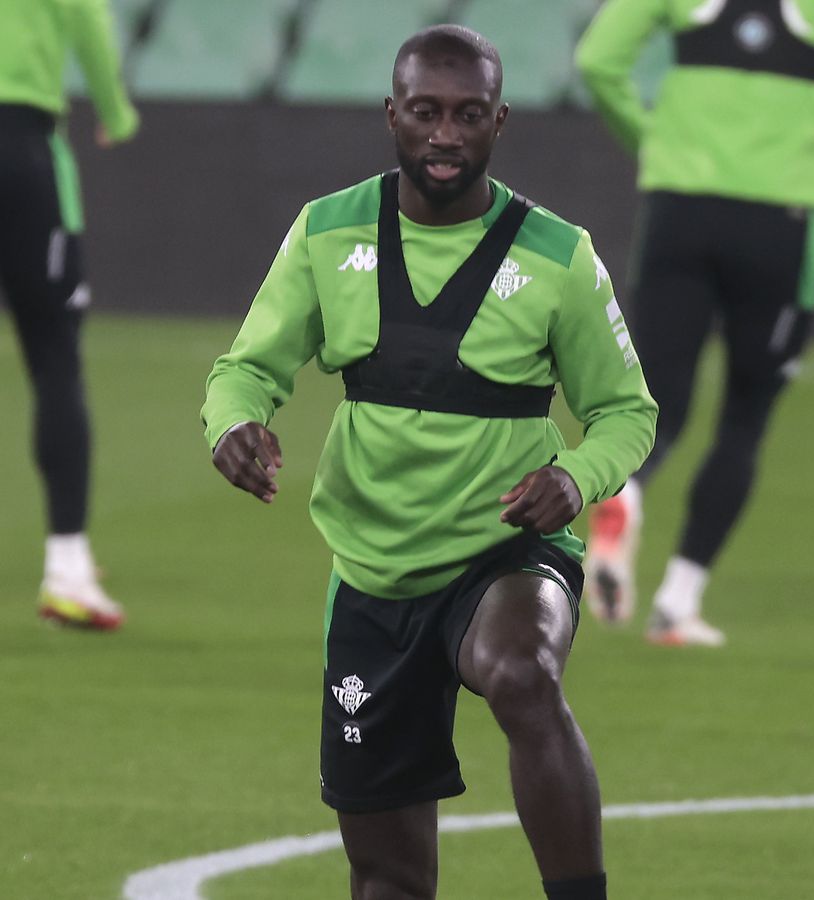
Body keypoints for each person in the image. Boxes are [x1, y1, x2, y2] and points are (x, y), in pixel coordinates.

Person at [203, 26, 654, 900]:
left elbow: (625, 412)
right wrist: (233, 425)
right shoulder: (325, 233)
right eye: (427, 113)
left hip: (507, 550)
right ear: (392, 115)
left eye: (469, 115)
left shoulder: (558, 254)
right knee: (388, 879)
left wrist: (575, 479)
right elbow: (246, 370)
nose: (446, 134)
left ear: (500, 122)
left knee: (523, 673)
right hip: (374, 567)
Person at [574, 0, 814, 646]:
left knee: (658, 407)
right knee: (745, 419)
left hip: (678, 211)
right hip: (780, 221)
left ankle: (630, 493)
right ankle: (678, 604)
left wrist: (654, 143)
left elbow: (596, 60)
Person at [0, 0, 140, 630]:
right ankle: (68, 572)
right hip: (21, 148)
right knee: (55, 359)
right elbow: (86, 14)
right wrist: (113, 110)